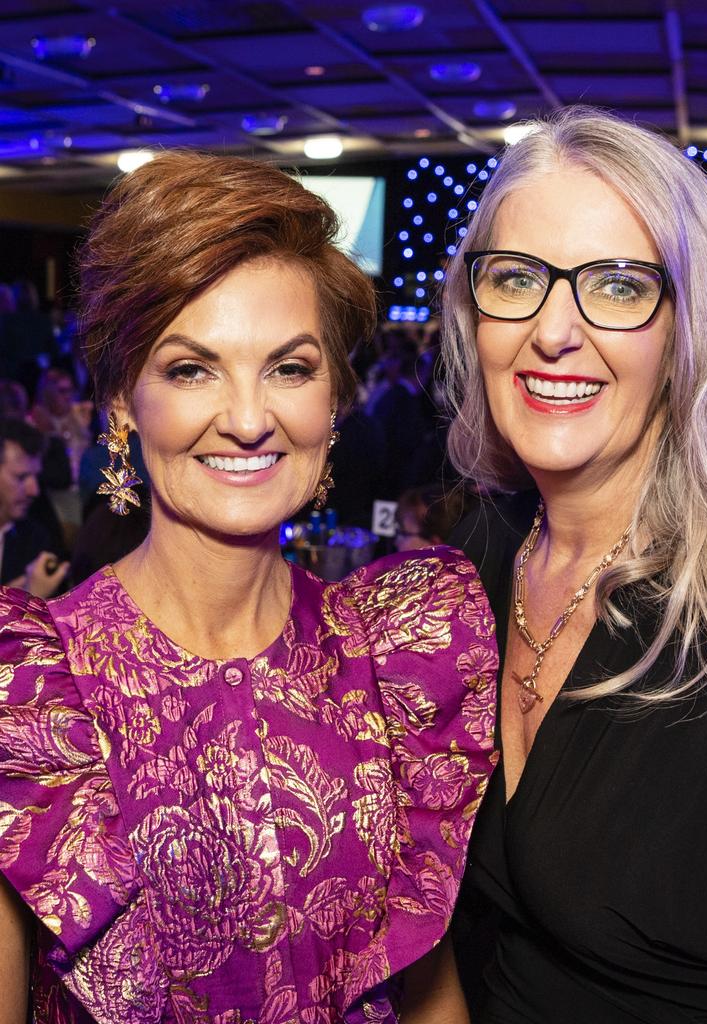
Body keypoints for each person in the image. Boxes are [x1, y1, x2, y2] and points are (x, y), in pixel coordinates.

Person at [0, 151, 497, 1024]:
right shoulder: (30, 689)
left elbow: (427, 984)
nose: (248, 417)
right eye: (191, 368)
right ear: (122, 401)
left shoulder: (401, 656)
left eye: (290, 367)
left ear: (335, 397)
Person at [435, 106, 707, 1022]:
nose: (554, 330)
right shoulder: (472, 561)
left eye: (618, 287)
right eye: (516, 279)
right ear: (474, 312)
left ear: (687, 330)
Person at [0, 417, 68, 597]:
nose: (34, 490)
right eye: (21, 477)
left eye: (35, 477)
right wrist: (26, 601)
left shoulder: (34, 538)